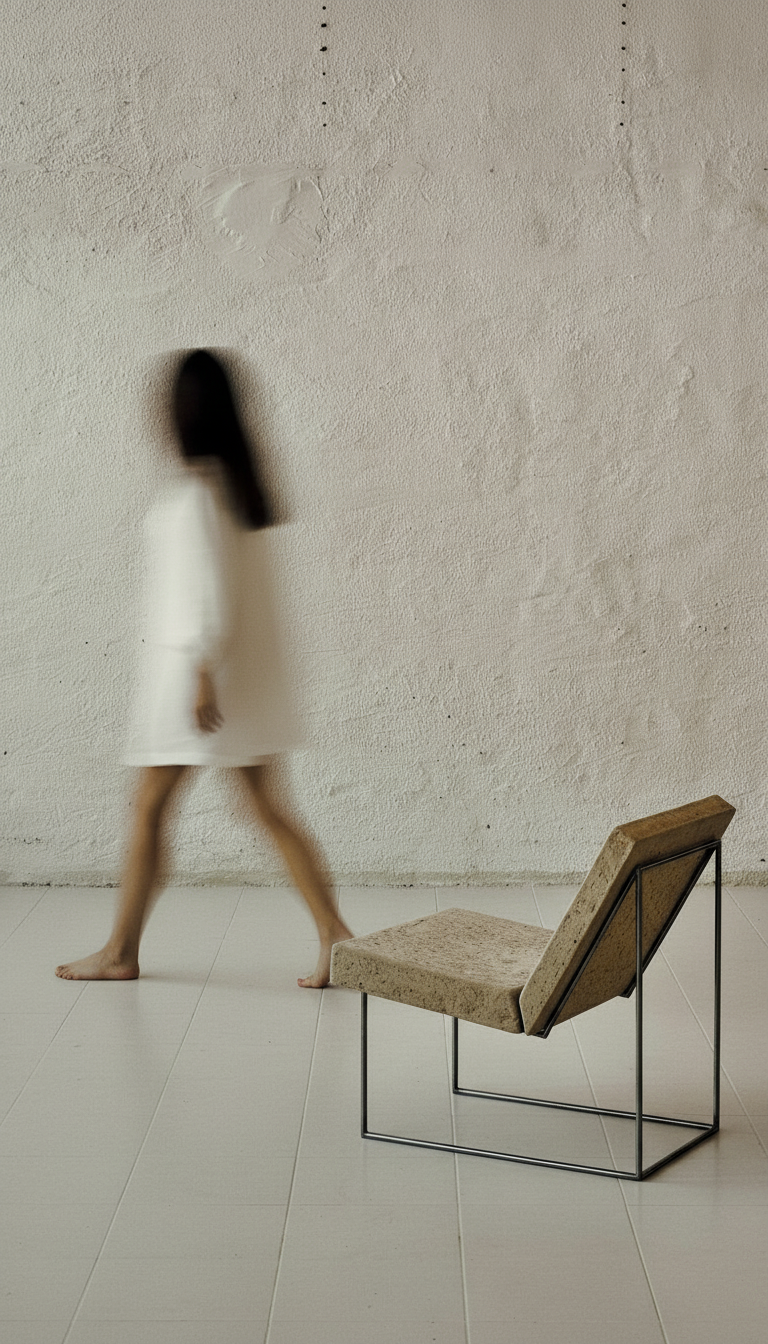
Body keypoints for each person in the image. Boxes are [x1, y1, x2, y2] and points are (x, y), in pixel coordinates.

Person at [56, 349, 351, 988]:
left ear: (183, 412)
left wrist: (199, 671)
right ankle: (336, 936)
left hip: (194, 683)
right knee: (263, 808)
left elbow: (204, 592)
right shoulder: (237, 492)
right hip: (222, 679)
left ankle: (120, 951)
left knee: (150, 811)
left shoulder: (195, 493)